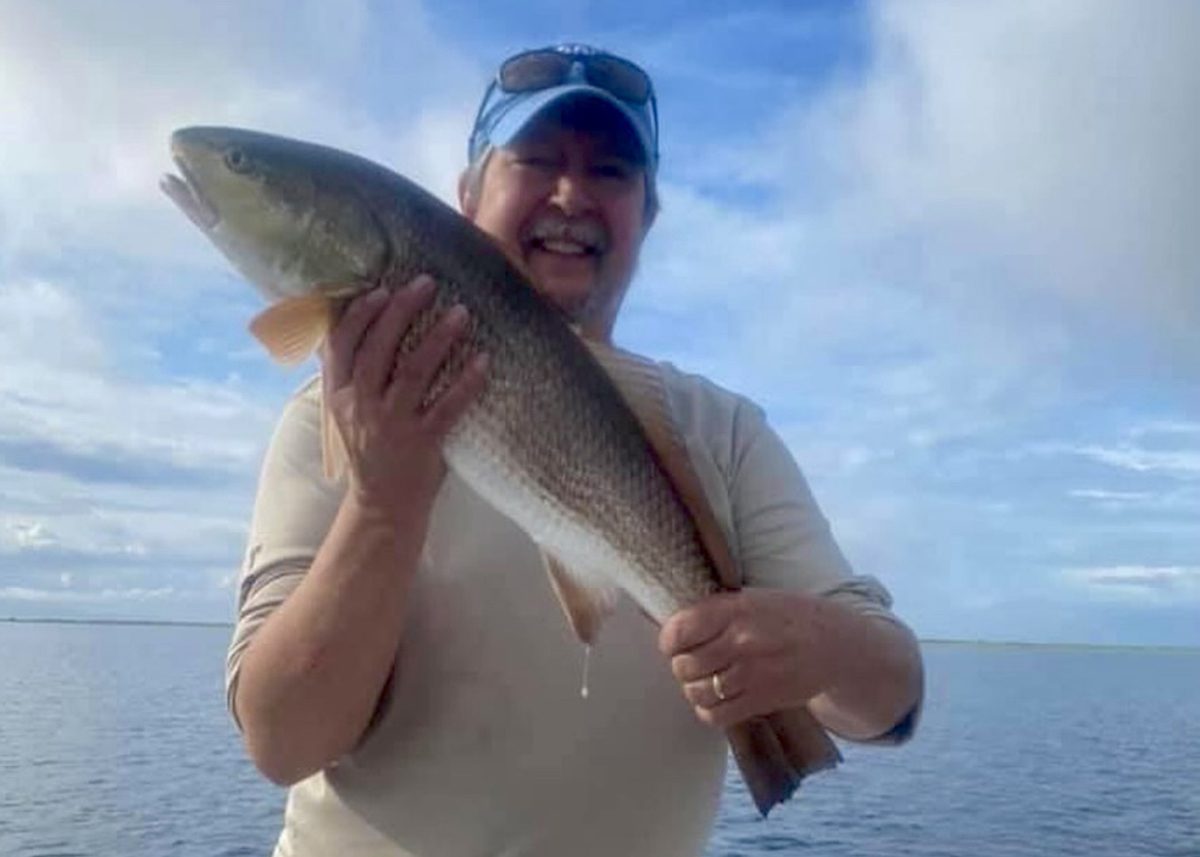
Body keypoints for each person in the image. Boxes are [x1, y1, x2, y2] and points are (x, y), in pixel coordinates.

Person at [225, 43, 924, 857]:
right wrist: (385, 501)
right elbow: (282, 741)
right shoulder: (330, 415)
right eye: (536, 159)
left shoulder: (722, 432)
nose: (571, 193)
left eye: (613, 172)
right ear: (466, 197)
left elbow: (893, 699)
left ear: (648, 216)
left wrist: (823, 647)